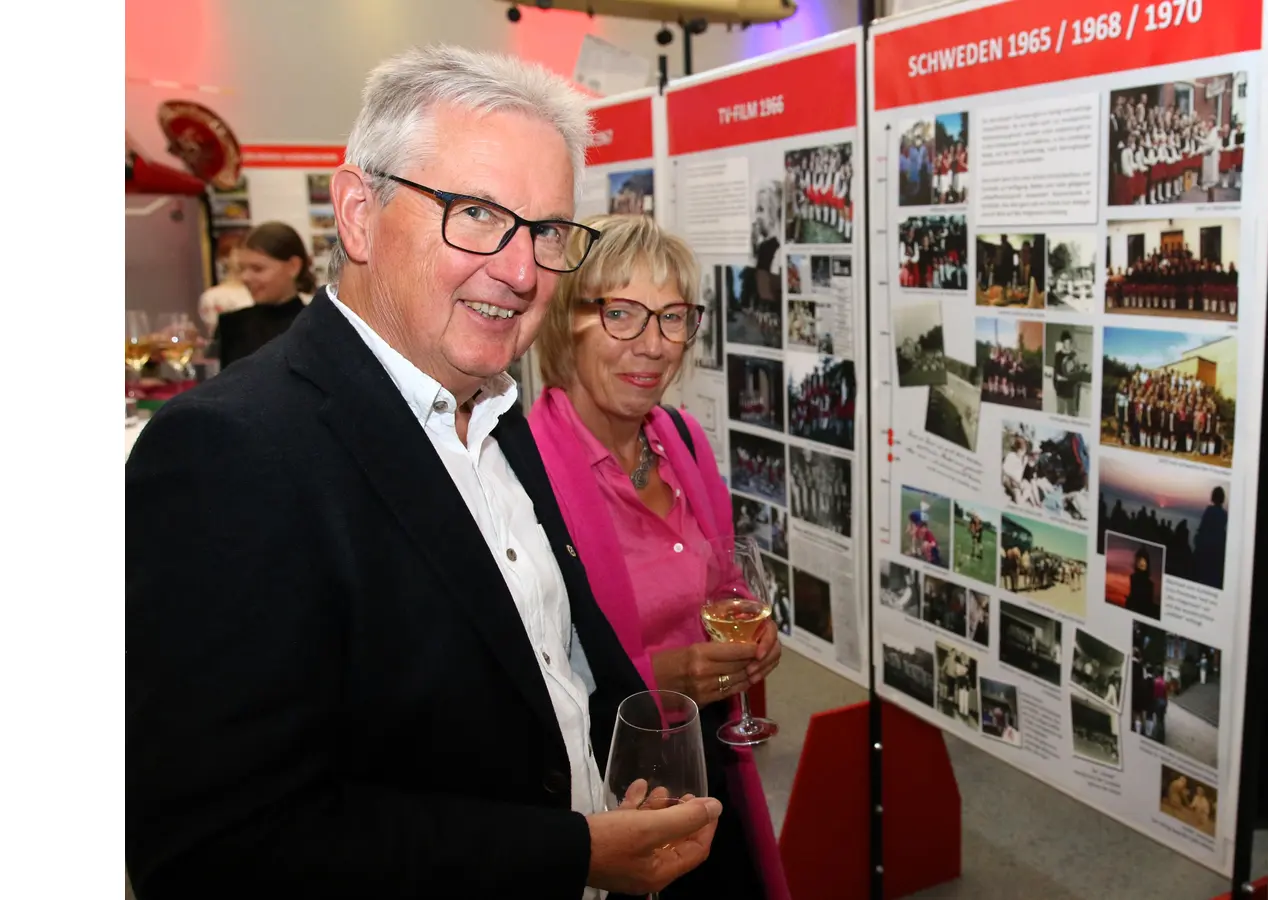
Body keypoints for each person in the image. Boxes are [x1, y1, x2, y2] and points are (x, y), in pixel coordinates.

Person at [127, 46, 722, 900]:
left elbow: (553, 661)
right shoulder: (229, 454)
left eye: (547, 232)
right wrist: (574, 853)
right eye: (476, 213)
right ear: (358, 214)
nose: (521, 272)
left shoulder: (493, 405)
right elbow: (216, 852)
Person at [526, 213, 788, 899]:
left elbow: (724, 585)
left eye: (673, 318)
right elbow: (517, 683)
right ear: (565, 321)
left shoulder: (682, 441)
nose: (652, 345)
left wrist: (753, 641)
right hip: (606, 794)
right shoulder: (525, 473)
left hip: (707, 762)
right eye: (622, 314)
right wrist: (658, 676)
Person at [215, 221, 316, 368]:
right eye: (241, 268)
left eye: (257, 269)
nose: (245, 277)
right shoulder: (231, 325)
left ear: (293, 266)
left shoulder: (318, 325)